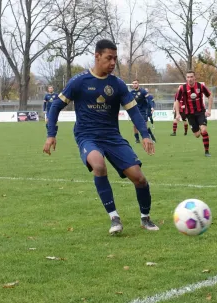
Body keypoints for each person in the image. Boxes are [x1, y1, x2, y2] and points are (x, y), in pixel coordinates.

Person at [43, 39, 159, 234]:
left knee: (139, 179)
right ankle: (114, 218)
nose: (113, 63)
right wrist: (51, 135)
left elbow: (134, 111)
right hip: (87, 136)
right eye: (109, 58)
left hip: (112, 137)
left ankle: (145, 218)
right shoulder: (79, 82)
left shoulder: (118, 85)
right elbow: (55, 106)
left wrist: (145, 135)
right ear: (97, 57)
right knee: (98, 165)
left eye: (115, 58)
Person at [174, 71, 213, 156]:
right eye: (188, 77)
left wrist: (209, 110)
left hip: (200, 112)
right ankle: (198, 129)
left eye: (191, 77)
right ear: (186, 78)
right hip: (190, 114)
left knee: (204, 130)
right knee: (197, 135)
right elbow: (177, 100)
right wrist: (177, 113)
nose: (190, 79)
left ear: (194, 77)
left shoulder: (200, 86)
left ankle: (207, 151)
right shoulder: (182, 88)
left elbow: (209, 95)